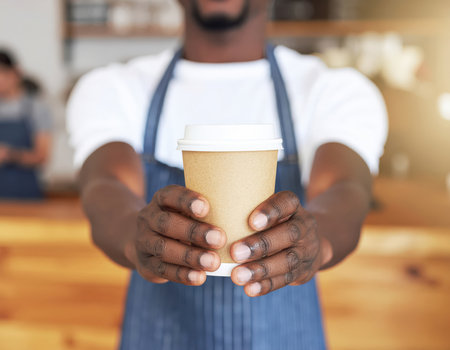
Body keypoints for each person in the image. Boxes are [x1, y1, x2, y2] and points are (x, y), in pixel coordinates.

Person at [67, 1, 387, 349]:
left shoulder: (333, 91)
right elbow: (105, 186)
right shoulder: (114, 89)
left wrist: (314, 241)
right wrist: (136, 235)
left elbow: (346, 189)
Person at [0, 49, 52, 199]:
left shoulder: (36, 109)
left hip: (25, 196)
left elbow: (42, 156)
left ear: (16, 72)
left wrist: (9, 154)